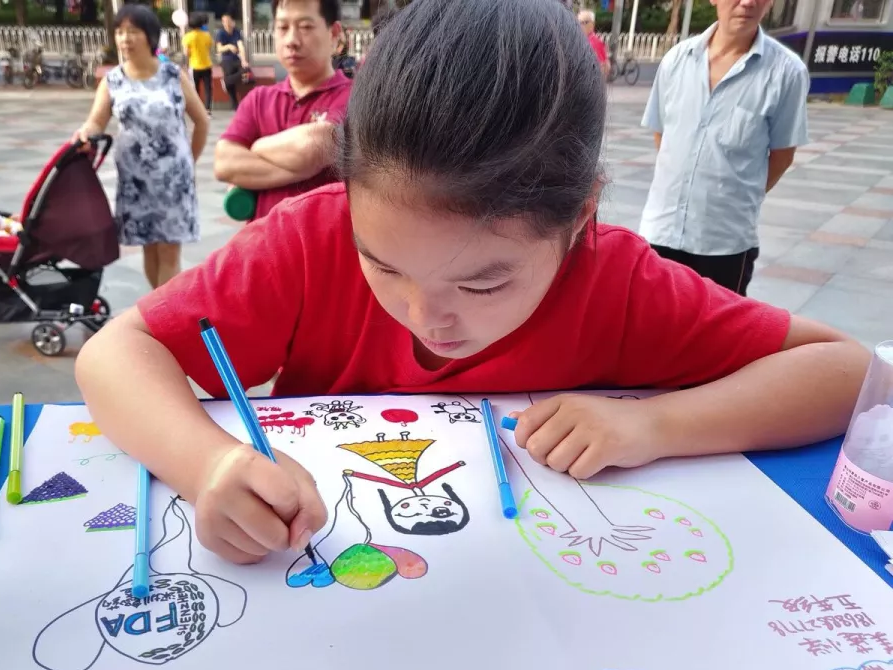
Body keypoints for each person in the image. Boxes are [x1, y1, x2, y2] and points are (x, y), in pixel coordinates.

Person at [76, 0, 868, 566]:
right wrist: (207, 464)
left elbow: (847, 372)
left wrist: (652, 426)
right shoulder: (311, 239)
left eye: (485, 284)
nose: (427, 318)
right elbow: (115, 354)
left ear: (578, 217)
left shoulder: (615, 280)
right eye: (383, 265)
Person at [639, 0, 809, 295]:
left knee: (719, 325)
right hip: (660, 232)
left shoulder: (786, 72)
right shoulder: (677, 60)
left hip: (725, 245)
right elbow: (662, 135)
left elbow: (782, 155)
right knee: (653, 321)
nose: (747, 3)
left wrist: (733, 196)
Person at [73, 4, 209, 290]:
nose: (125, 39)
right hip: (135, 181)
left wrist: (189, 161)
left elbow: (201, 121)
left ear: (150, 36)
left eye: (133, 31)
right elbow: (96, 121)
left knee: (169, 250)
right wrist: (85, 133)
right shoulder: (113, 80)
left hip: (173, 180)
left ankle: (164, 312)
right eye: (120, 32)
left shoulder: (173, 75)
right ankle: (158, 304)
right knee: (149, 248)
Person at [213, 0, 352, 221]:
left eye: (305, 27)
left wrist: (255, 148)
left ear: (334, 33)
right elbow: (224, 162)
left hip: (327, 240)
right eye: (282, 27)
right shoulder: (258, 99)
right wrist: (302, 166)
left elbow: (316, 145)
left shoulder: (356, 98)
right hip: (261, 241)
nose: (291, 41)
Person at [183, 12, 215, 115]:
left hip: (194, 66)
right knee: (208, 88)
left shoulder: (188, 37)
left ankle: (198, 109)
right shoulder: (207, 35)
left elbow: (186, 53)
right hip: (207, 65)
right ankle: (208, 109)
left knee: (195, 89)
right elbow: (209, 48)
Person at [216, 12, 249, 110]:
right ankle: (235, 105)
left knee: (246, 70)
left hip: (236, 59)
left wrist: (243, 60)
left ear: (232, 22)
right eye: (225, 21)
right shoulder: (220, 33)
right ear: (223, 23)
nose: (227, 23)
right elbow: (219, 49)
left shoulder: (236, 32)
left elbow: (241, 46)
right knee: (231, 81)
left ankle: (226, 81)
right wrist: (229, 46)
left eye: (229, 21)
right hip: (226, 59)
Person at [578, 9, 608, 79]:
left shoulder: (596, 42)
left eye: (584, 22)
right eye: (578, 22)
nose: (580, 25)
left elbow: (604, 66)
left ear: (592, 24)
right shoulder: (580, 40)